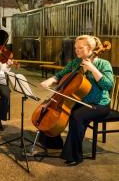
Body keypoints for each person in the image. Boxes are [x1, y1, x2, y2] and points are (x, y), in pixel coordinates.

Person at [41, 35, 114, 166]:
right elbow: (61, 74)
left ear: (90, 48)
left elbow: (108, 85)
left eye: (80, 48)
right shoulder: (76, 62)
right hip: (79, 100)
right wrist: (51, 80)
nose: (77, 50)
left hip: (99, 104)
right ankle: (54, 142)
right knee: (53, 108)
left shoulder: (103, 64)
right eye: (76, 48)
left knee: (77, 116)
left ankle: (74, 155)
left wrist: (92, 68)